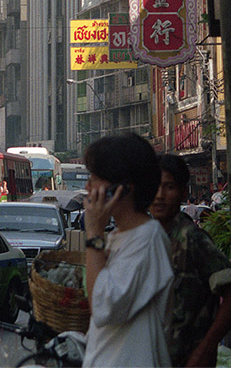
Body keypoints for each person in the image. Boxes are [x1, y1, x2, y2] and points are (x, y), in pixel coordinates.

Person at [81, 133, 174, 367]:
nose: (87, 186)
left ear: (121, 188)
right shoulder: (115, 237)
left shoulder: (148, 238)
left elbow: (103, 308)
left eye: (95, 178)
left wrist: (93, 235)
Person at [151, 154, 231, 367]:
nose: (159, 195)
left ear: (184, 192)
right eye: (154, 186)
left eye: (168, 187)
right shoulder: (148, 238)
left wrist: (207, 346)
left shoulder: (191, 239)